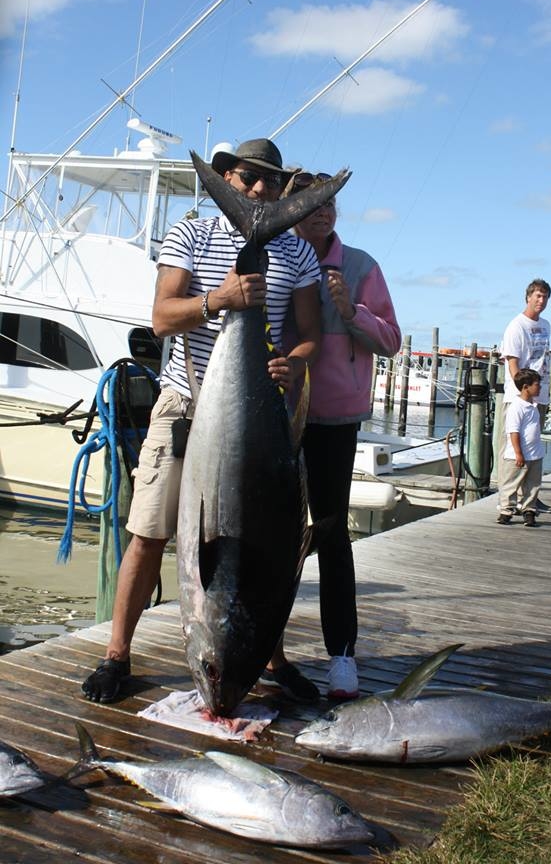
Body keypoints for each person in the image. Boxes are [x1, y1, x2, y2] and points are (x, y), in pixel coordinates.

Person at [82, 138, 322, 704]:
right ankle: (117, 654)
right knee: (148, 532)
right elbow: (163, 317)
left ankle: (269, 657)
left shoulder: (299, 253)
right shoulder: (191, 234)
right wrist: (219, 301)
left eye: (269, 182)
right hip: (184, 403)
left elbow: (311, 335)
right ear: (227, 179)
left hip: (262, 413)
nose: (258, 190)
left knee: (269, 544)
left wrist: (296, 361)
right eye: (247, 180)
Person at [285, 169, 401, 699]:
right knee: (274, 536)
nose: (323, 213)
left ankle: (342, 656)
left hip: (333, 420)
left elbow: (392, 340)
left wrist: (351, 309)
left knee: (332, 533)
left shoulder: (360, 266)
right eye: (312, 205)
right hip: (277, 418)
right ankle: (266, 651)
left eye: (330, 204)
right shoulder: (278, 256)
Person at [500, 278, 551, 513]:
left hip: (539, 397)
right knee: (512, 450)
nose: (541, 301)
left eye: (545, 297)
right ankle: (507, 501)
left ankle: (530, 498)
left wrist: (539, 395)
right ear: (528, 297)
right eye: (537, 296)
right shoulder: (516, 326)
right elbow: (513, 363)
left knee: (533, 448)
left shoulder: (546, 325)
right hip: (519, 398)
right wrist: (523, 393)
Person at [497, 368, 544, 528]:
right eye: (537, 384)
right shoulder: (517, 407)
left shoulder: (534, 406)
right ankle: (506, 511)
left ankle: (529, 511)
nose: (540, 387)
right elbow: (513, 431)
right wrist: (518, 453)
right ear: (526, 387)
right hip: (517, 455)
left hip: (535, 454)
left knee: (533, 485)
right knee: (511, 483)